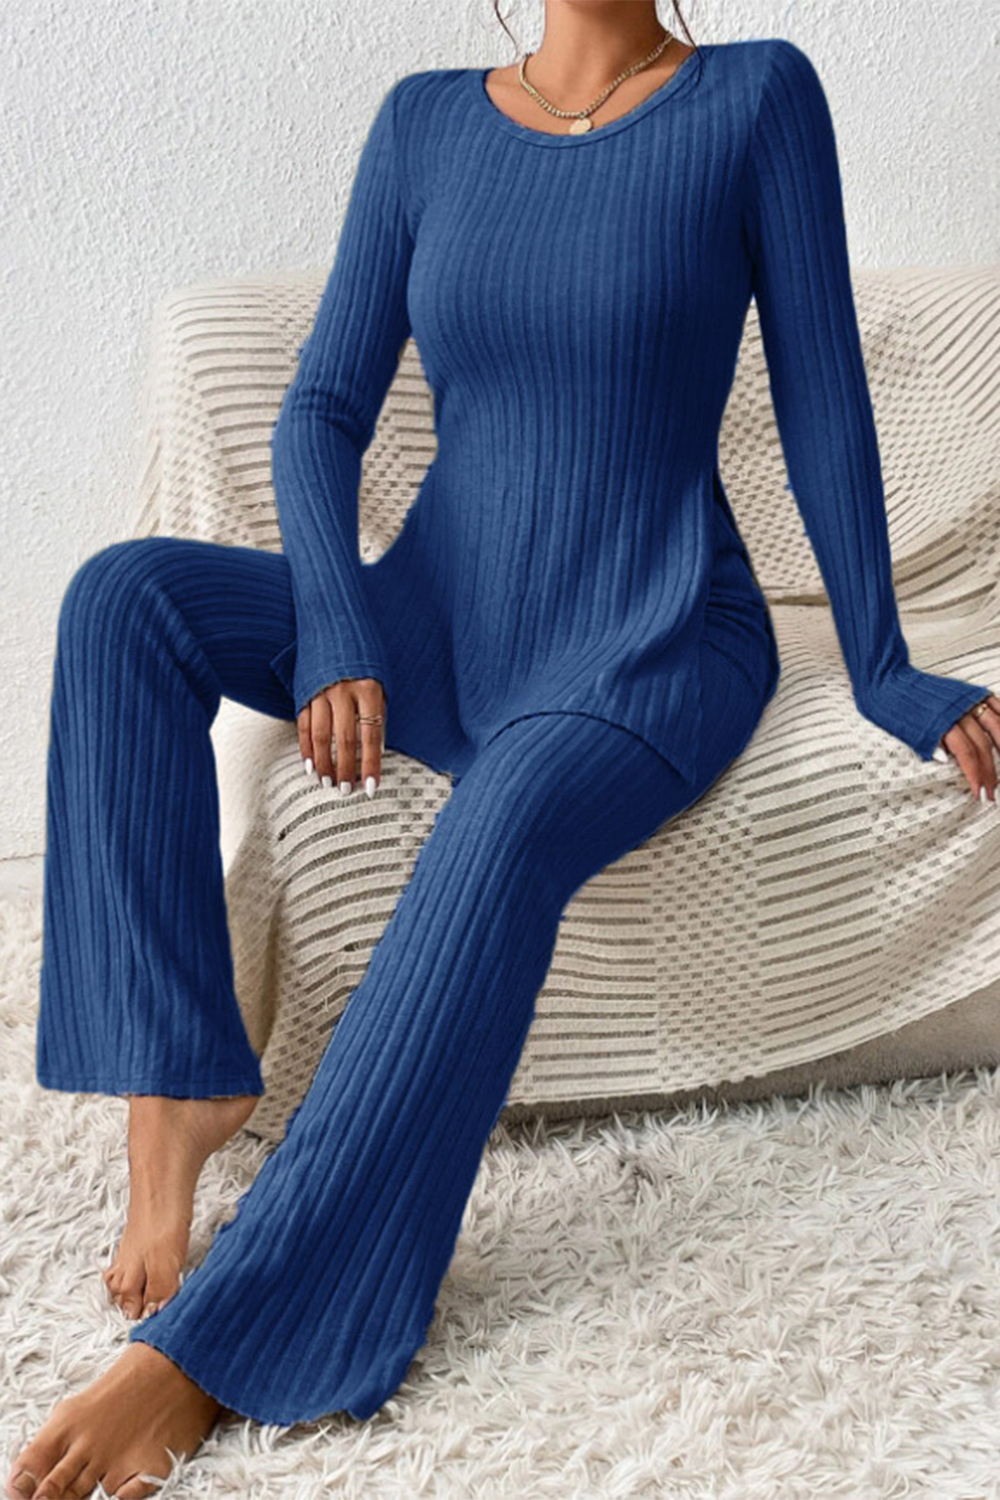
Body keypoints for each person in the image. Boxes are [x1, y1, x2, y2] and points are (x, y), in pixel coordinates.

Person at [8, 3, 998, 1496]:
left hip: (653, 633)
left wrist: (882, 667)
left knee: (508, 813)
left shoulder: (755, 98)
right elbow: (323, 406)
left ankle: (226, 1342)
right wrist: (337, 625)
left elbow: (820, 392)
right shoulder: (425, 120)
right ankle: (174, 1097)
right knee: (121, 600)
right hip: (437, 609)